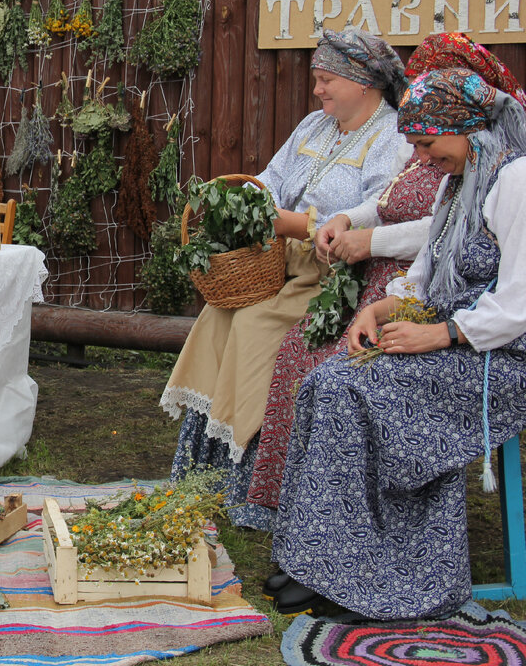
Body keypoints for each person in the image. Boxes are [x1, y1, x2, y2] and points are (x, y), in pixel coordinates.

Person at [270, 67, 526, 619]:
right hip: (455, 339)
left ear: (470, 130)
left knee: (361, 393)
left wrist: (440, 334)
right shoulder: (460, 181)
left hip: (500, 356)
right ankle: (320, 560)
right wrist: (381, 308)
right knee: (329, 378)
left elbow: (518, 303)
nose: (426, 159)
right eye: (418, 147)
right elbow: (430, 272)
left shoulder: (517, 181)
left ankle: (382, 573)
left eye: (430, 144)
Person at [160, 27, 408, 528]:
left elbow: (382, 210)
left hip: (337, 274)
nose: (317, 90)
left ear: (363, 83)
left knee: (254, 328)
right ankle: (200, 468)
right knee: (218, 314)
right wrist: (238, 206)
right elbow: (269, 182)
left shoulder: (392, 136)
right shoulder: (314, 127)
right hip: (276, 262)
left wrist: (304, 224)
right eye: (317, 80)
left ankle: (247, 478)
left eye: (325, 79)